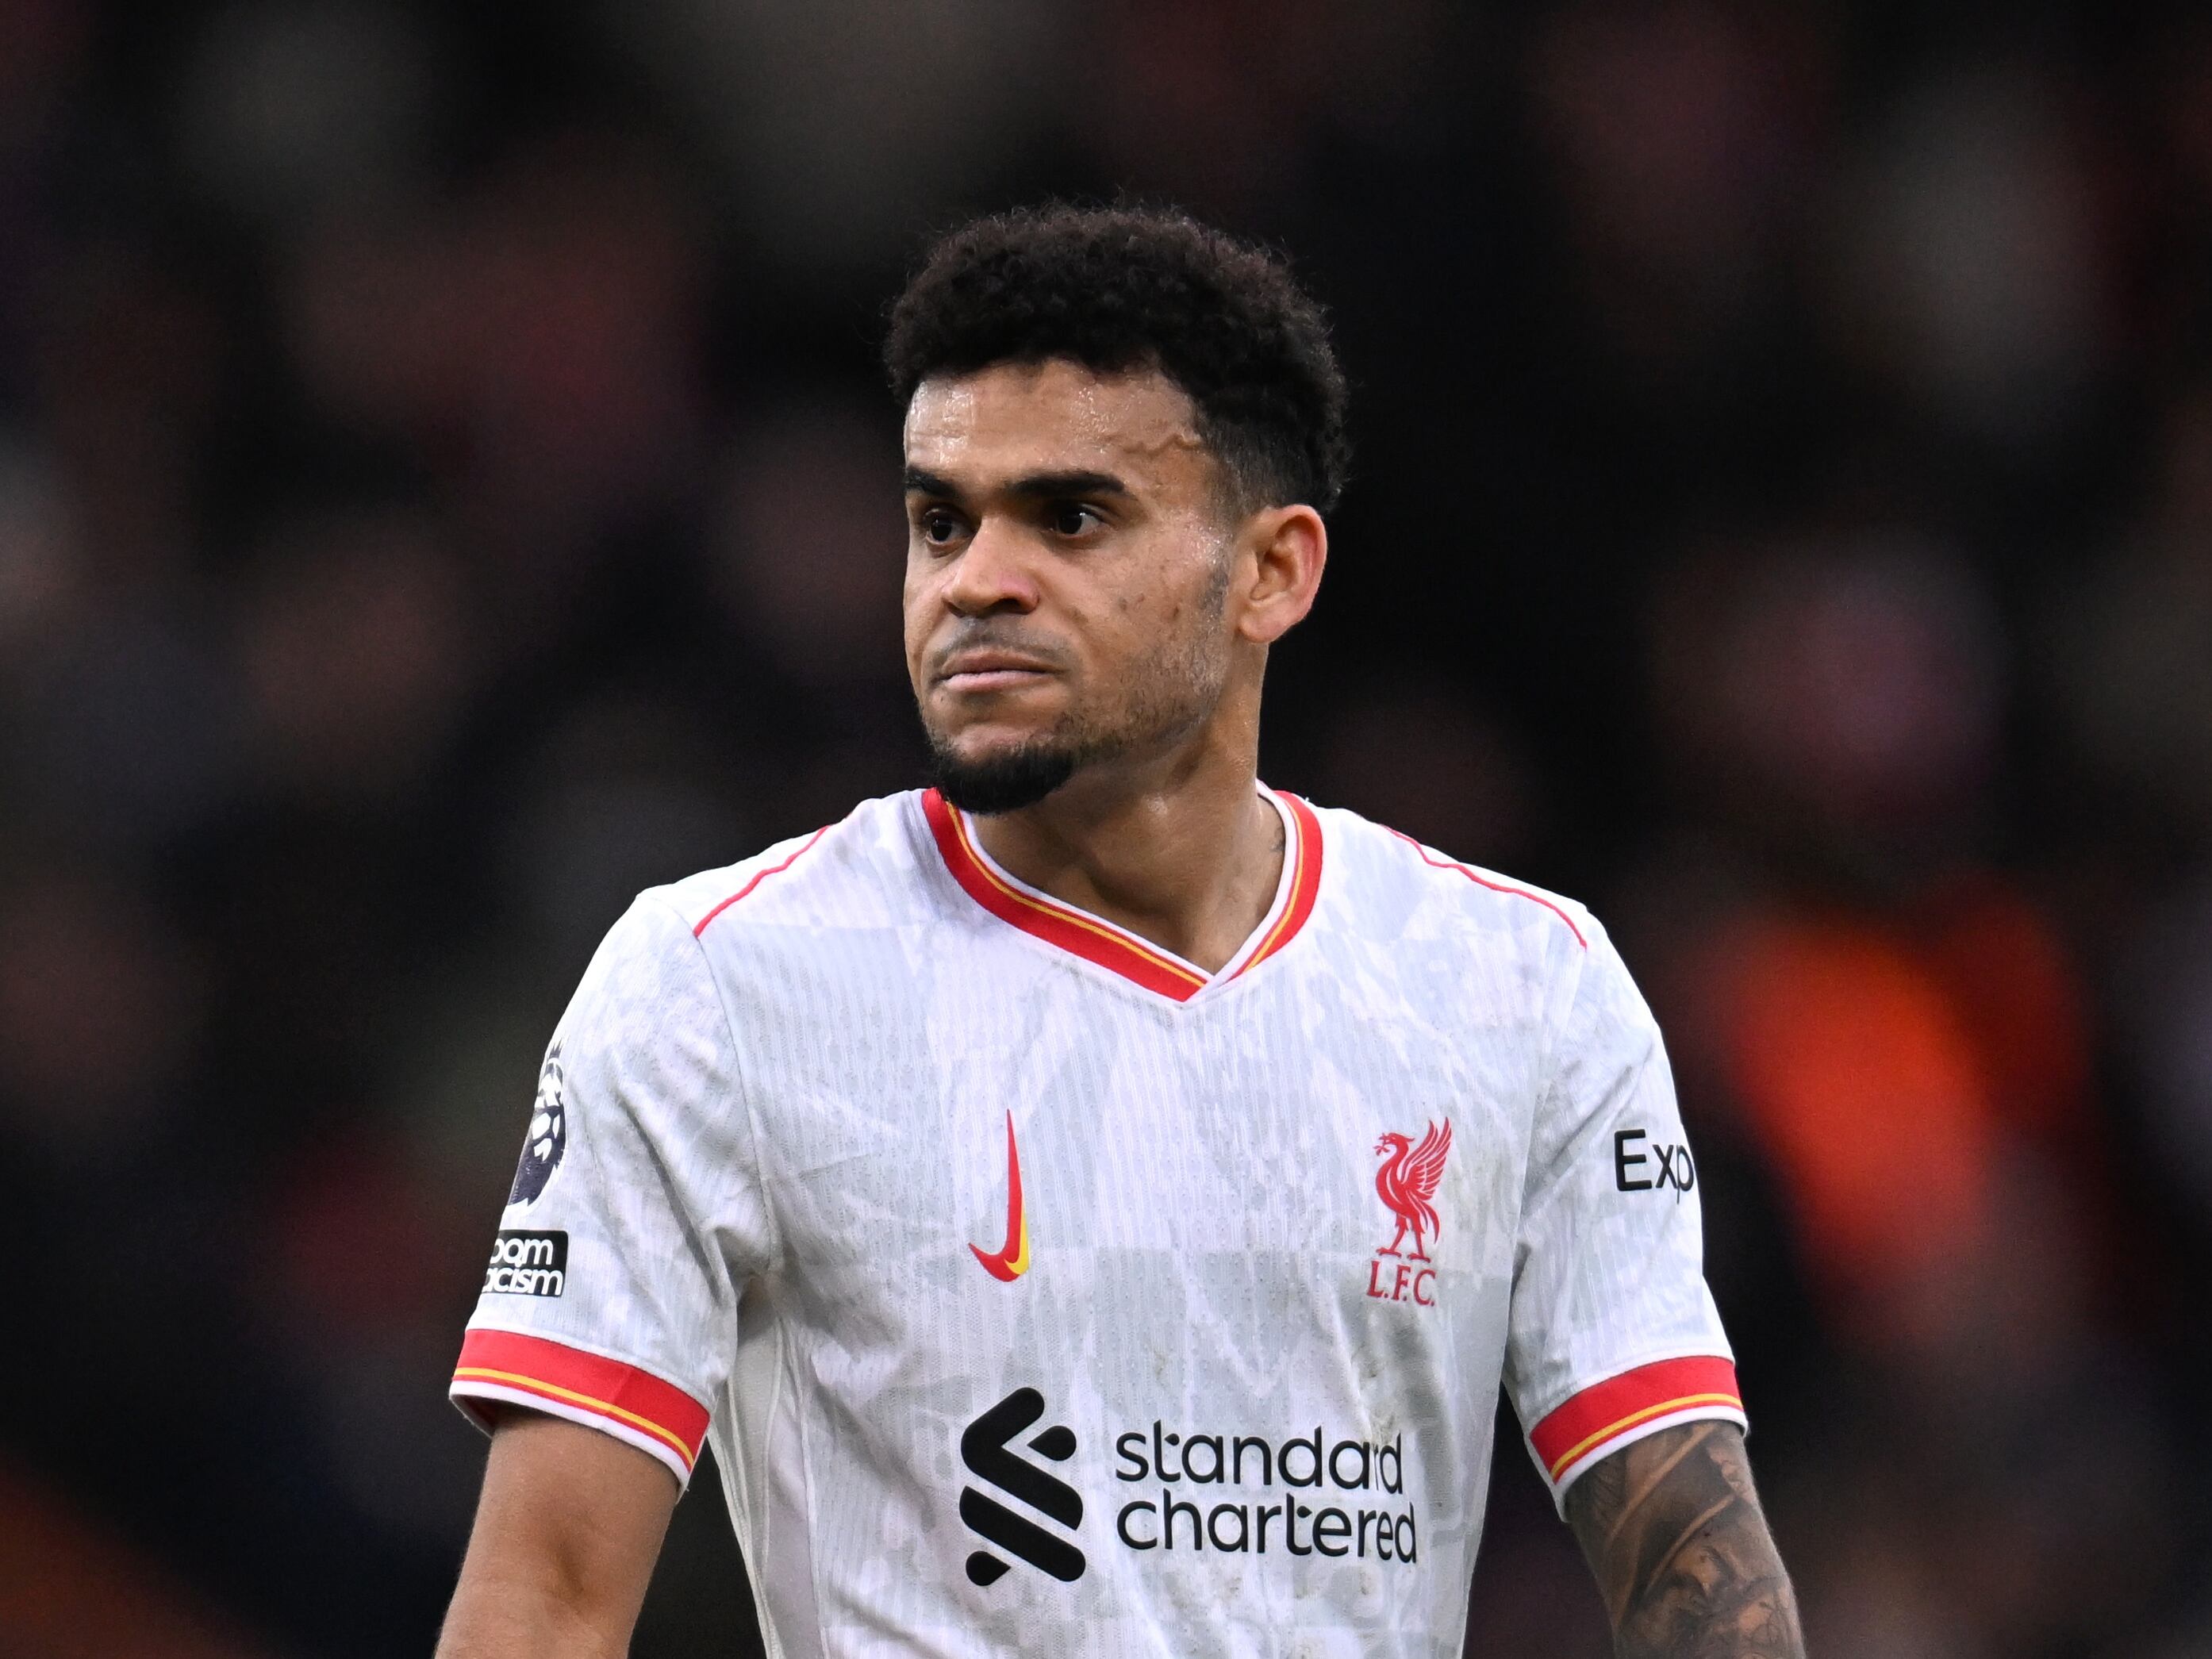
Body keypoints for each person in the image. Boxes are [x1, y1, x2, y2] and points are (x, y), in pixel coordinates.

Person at [436, 204, 1804, 1659]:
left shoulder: (1523, 989)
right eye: (939, 521)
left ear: (1273, 571)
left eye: (1070, 517)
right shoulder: (718, 984)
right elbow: (544, 1602)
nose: (975, 581)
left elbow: (1693, 1573)